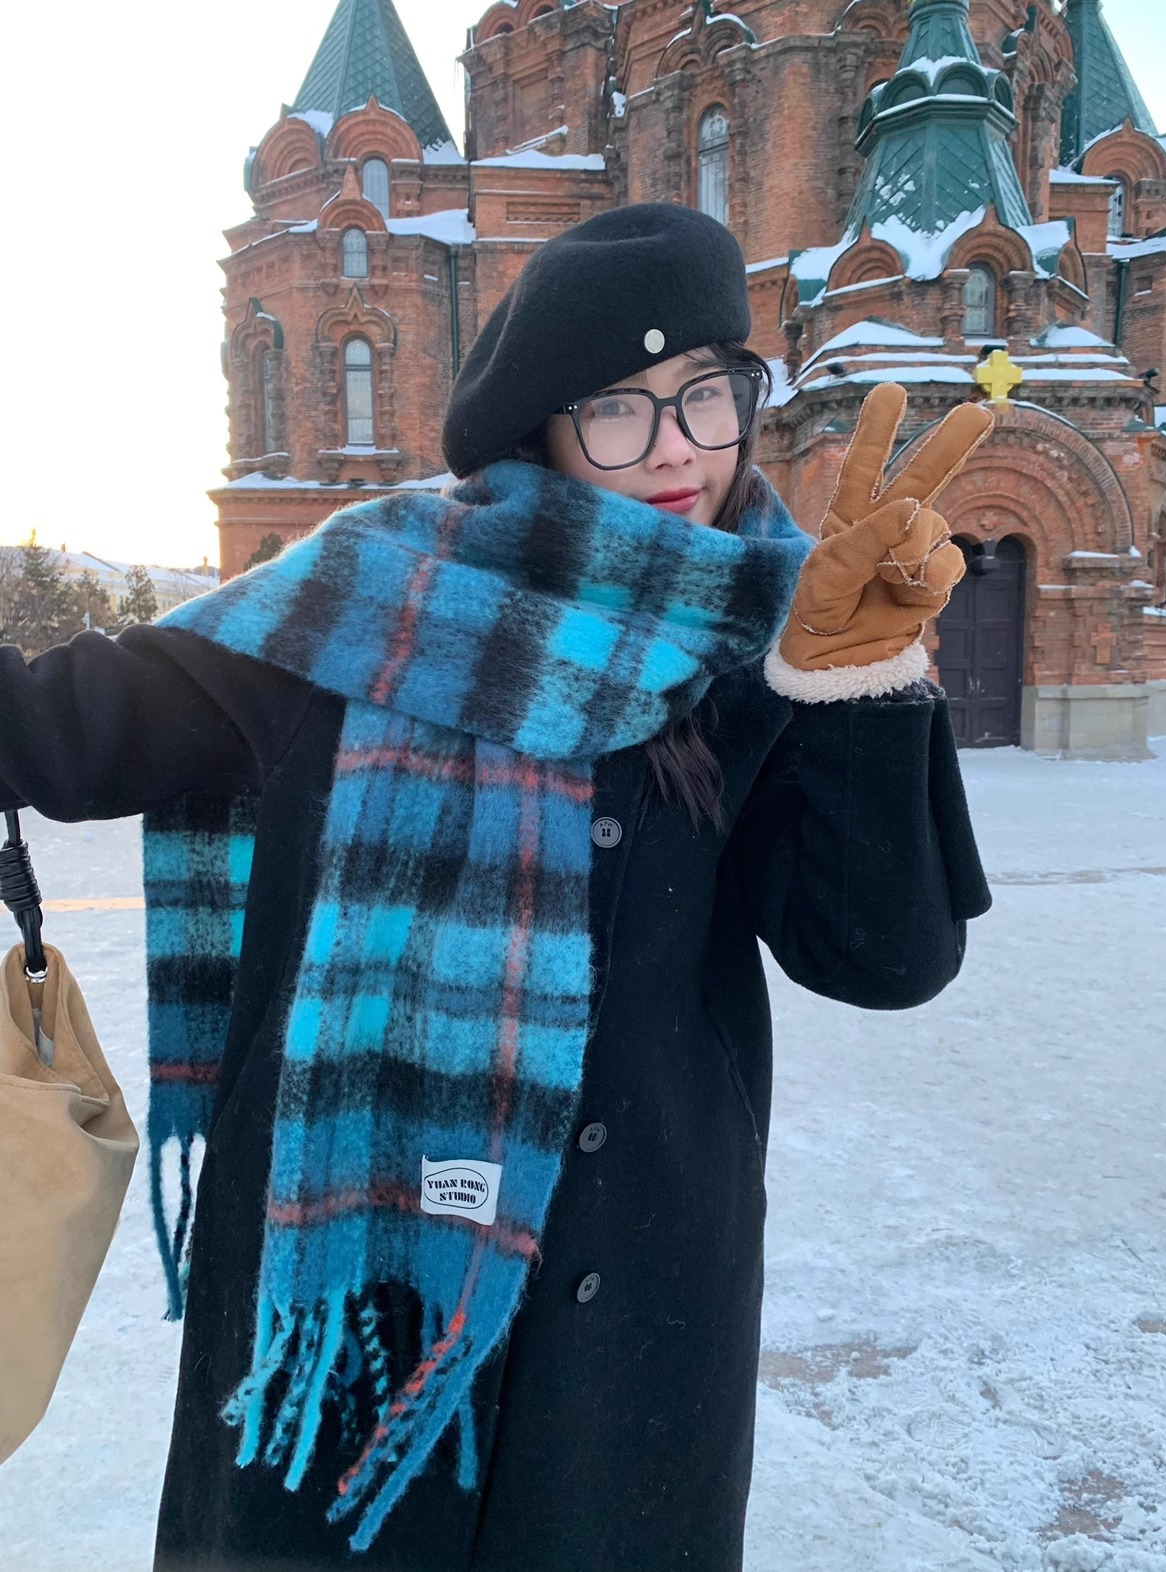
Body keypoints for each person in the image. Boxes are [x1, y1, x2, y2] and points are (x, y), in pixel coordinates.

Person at [0, 203, 994, 1572]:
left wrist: (858, 692)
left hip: (630, 1334)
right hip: (349, 1320)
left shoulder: (786, 634)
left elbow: (883, 957)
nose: (678, 448)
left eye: (707, 393)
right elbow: (64, 728)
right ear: (541, 430)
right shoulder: (369, 598)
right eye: (619, 408)